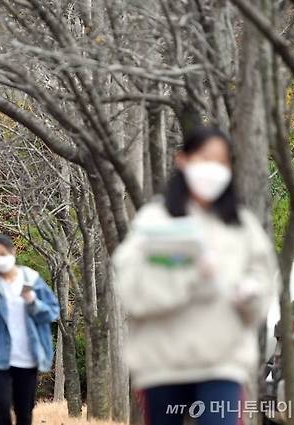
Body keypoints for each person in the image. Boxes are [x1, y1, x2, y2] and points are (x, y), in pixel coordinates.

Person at [113, 127, 279, 425]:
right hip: (163, 361)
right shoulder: (156, 220)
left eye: (221, 162)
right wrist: (187, 277)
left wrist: (250, 293)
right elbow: (130, 283)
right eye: (205, 159)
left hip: (222, 361)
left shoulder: (241, 226)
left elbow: (264, 277)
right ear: (183, 160)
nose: (212, 170)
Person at [0, 235, 60, 425]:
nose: (0, 260)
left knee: (24, 412)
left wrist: (32, 301)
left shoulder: (30, 278)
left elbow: (52, 312)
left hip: (27, 356)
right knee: (1, 409)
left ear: (13, 252)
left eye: (3, 254)